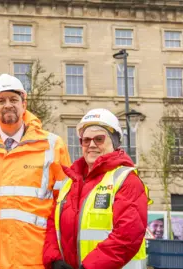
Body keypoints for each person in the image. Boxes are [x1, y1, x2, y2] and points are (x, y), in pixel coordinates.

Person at [0, 74, 71, 269]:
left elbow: (66, 206)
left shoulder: (52, 146)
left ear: (24, 104)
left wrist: (59, 254)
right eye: (1, 100)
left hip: (36, 260)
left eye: (13, 99)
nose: (8, 104)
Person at [43, 108, 150, 269]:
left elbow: (127, 235)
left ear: (114, 142)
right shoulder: (69, 183)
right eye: (86, 140)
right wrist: (54, 259)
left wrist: (90, 266)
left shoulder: (127, 181)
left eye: (99, 139)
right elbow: (53, 224)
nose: (91, 145)